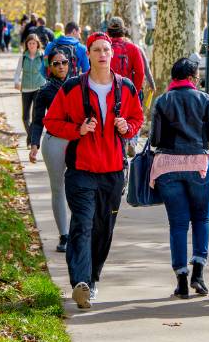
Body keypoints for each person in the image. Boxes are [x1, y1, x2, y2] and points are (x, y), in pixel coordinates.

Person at [44, 32, 144, 310]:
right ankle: (80, 283)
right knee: (82, 225)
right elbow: (51, 121)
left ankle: (93, 278)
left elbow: (137, 117)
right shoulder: (72, 88)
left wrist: (128, 128)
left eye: (106, 49)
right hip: (81, 170)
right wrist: (77, 130)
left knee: (103, 229)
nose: (102, 54)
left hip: (112, 171)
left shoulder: (126, 88)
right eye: (96, 49)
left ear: (112, 54)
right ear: (87, 55)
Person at [150, 56, 209, 299]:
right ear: (191, 78)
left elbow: (155, 139)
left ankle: (181, 281)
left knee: (178, 224)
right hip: (198, 165)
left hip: (167, 166)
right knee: (201, 218)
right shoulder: (204, 99)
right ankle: (198, 274)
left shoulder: (162, 101)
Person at [29, 49, 70, 253]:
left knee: (82, 187)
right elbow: (37, 121)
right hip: (54, 143)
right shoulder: (45, 91)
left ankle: (80, 231)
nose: (61, 66)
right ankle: (64, 235)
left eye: (64, 62)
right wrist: (34, 145)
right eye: (56, 63)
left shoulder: (79, 85)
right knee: (58, 188)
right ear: (50, 67)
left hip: (78, 141)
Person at [15, 34, 46, 147]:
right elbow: (18, 71)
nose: (32, 45)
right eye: (30, 43)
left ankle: (31, 141)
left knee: (35, 115)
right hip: (26, 88)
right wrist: (16, 82)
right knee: (25, 117)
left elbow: (47, 71)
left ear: (37, 44)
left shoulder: (42, 56)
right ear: (27, 45)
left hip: (39, 88)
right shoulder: (23, 56)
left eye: (34, 43)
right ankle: (31, 136)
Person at [106, 16, 145, 93]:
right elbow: (140, 73)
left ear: (107, 32)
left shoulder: (101, 48)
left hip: (105, 92)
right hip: (126, 92)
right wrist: (133, 92)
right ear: (123, 31)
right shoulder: (133, 48)